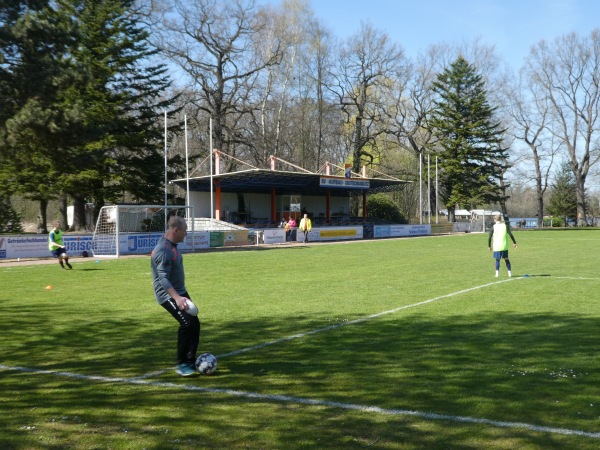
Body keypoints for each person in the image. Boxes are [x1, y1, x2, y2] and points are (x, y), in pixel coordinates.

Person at [151, 216, 200, 376]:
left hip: (179, 291)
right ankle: (182, 365)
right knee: (186, 323)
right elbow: (162, 278)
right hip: (168, 294)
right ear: (175, 230)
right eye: (185, 230)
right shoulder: (163, 250)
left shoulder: (170, 245)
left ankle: (191, 361)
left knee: (194, 323)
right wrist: (177, 298)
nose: (186, 233)